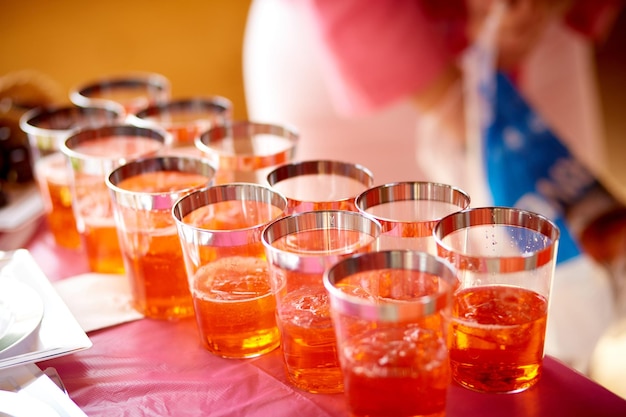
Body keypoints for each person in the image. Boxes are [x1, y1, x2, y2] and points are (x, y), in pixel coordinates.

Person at [243, 0, 624, 375]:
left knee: (562, 322)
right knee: (359, 326)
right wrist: (458, 106)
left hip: (534, 48)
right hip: (355, 46)